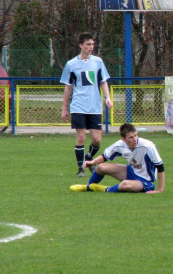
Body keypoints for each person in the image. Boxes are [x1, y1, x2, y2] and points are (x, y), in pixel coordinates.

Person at [60, 32, 113, 177]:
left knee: (97, 139)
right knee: (81, 137)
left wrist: (107, 97)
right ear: (81, 45)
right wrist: (64, 108)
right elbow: (68, 87)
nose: (91, 47)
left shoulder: (98, 62)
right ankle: (80, 169)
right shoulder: (71, 64)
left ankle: (88, 159)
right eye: (88, 44)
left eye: (93, 44)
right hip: (78, 106)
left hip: (94, 106)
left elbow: (103, 81)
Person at [70, 123, 165, 194]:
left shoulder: (147, 146)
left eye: (135, 135)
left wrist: (159, 190)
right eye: (131, 137)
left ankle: (104, 189)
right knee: (101, 167)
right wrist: (92, 162)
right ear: (123, 139)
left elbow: (160, 166)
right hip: (131, 171)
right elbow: (104, 156)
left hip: (146, 180)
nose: (135, 139)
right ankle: (88, 187)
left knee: (125, 184)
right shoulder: (120, 145)